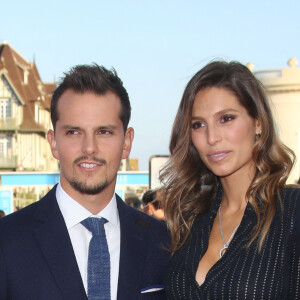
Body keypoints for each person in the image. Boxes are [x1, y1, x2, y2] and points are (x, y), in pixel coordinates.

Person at [0, 64, 169, 300]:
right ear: (54, 142)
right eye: (74, 132)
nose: (89, 147)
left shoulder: (163, 242)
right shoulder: (7, 241)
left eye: (104, 132)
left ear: (127, 142)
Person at [160, 61, 300, 299]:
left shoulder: (292, 212)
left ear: (258, 122)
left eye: (226, 118)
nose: (212, 137)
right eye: (198, 124)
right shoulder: (190, 218)